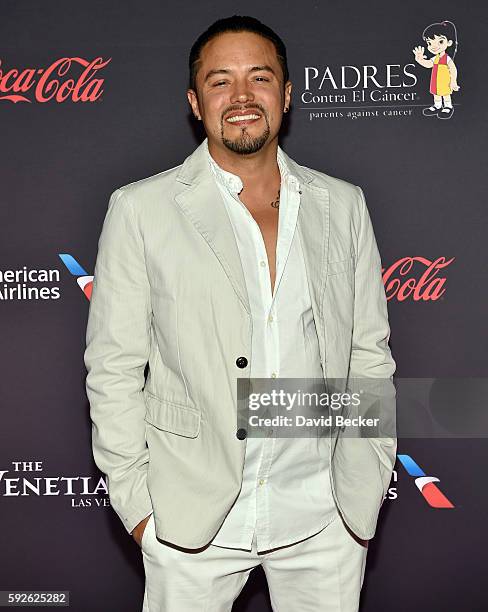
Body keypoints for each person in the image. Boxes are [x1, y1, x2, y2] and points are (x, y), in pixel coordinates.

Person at [84, 15, 397, 612]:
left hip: (324, 517)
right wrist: (139, 509)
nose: (242, 97)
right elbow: (114, 368)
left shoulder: (343, 205)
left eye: (260, 77)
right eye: (220, 81)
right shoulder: (141, 209)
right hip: (191, 522)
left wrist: (362, 492)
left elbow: (368, 356)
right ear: (195, 102)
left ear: (286, 94)